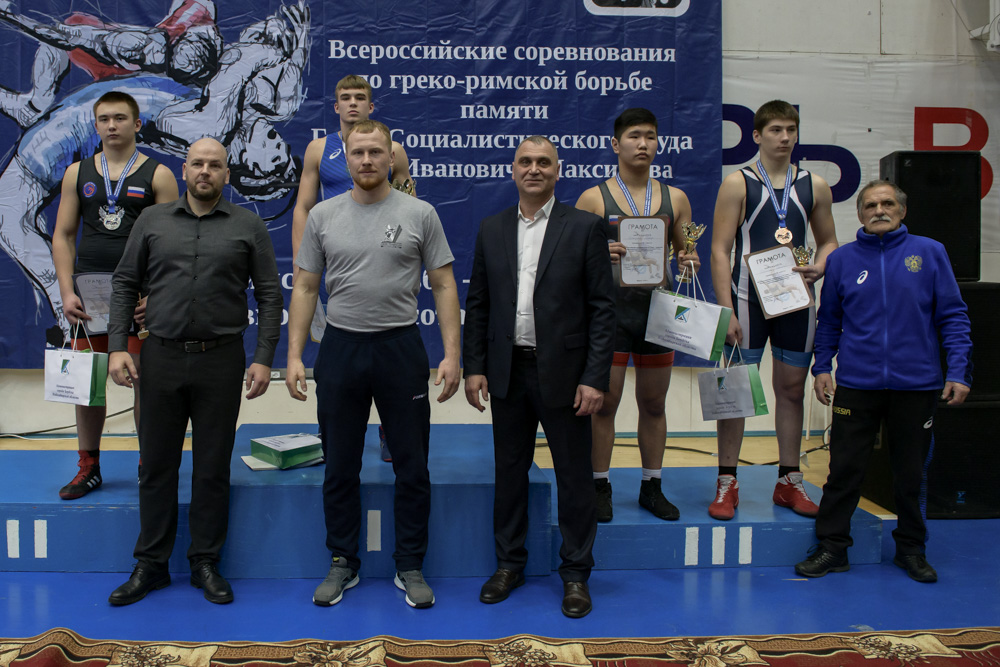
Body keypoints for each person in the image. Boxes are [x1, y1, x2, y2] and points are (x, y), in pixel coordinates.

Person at [285, 120, 460, 609]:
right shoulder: (323, 215)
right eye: (358, 152)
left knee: (412, 464)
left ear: (391, 157)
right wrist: (294, 356)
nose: (366, 160)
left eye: (375, 152)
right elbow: (305, 287)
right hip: (341, 348)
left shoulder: (420, 213)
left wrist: (452, 354)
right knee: (340, 465)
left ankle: (410, 564)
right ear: (346, 158)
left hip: (400, 349)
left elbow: (444, 284)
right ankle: (343, 560)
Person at [106, 137, 282, 606]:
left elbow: (269, 294)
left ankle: (205, 561)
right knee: (156, 465)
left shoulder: (248, 225)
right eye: (198, 163)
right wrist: (118, 346)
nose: (205, 171)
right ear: (184, 170)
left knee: (212, 466)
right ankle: (151, 564)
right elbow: (124, 282)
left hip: (221, 360)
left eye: (215, 165)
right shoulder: (152, 221)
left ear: (227, 173)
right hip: (159, 357)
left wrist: (264, 357)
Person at [464, 136, 615, 619]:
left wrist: (595, 377)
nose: (534, 169)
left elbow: (602, 309)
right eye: (525, 162)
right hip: (507, 371)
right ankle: (509, 565)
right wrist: (474, 367)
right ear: (513, 170)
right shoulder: (491, 228)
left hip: (568, 375)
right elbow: (479, 304)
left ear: (557, 170)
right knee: (509, 473)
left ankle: (576, 574)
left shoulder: (585, 227)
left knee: (574, 476)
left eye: (543, 162)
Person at [794, 180, 972, 583]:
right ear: (859, 214)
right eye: (871, 205)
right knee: (843, 470)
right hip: (857, 384)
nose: (879, 210)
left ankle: (911, 549)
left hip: (917, 385)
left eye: (888, 203)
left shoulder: (930, 252)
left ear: (902, 210)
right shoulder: (841, 260)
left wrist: (959, 371)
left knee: (910, 474)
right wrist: (822, 368)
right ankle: (832, 548)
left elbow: (953, 316)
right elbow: (829, 321)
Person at [708, 100, 838, 520]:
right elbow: (719, 249)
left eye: (791, 130)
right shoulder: (738, 183)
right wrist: (725, 309)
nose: (784, 137)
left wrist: (820, 266)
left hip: (795, 300)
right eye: (776, 130)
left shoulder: (815, 185)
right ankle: (727, 481)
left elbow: (829, 241)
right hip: (746, 299)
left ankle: (789, 480)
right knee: (736, 392)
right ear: (757, 135)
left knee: (791, 389)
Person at [51, 91, 178, 500]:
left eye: (120, 118)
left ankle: (148, 467)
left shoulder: (159, 175)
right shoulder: (77, 173)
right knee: (88, 383)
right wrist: (66, 290)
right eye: (104, 118)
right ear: (95, 125)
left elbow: (174, 243)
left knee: (144, 382)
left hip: (140, 297)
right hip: (89, 297)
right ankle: (88, 466)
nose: (111, 125)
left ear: (137, 124)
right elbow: (63, 235)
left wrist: (157, 294)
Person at [575, 108, 700, 522]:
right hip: (610, 315)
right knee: (604, 405)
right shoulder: (594, 198)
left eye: (650, 136)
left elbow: (685, 252)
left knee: (654, 403)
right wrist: (598, 253)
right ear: (616, 144)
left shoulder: (675, 198)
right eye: (633, 136)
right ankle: (599, 485)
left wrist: (688, 261)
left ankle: (652, 486)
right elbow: (573, 260)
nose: (642, 143)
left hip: (657, 314)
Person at [290, 73, 414, 462]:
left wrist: (395, 251)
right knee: (337, 349)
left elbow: (409, 206)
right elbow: (303, 208)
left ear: (371, 105)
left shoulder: (394, 151)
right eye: (346, 97)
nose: (353, 103)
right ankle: (336, 427)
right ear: (336, 106)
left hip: (380, 259)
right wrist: (303, 260)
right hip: (334, 260)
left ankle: (390, 428)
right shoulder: (318, 149)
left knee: (386, 345)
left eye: (360, 97)